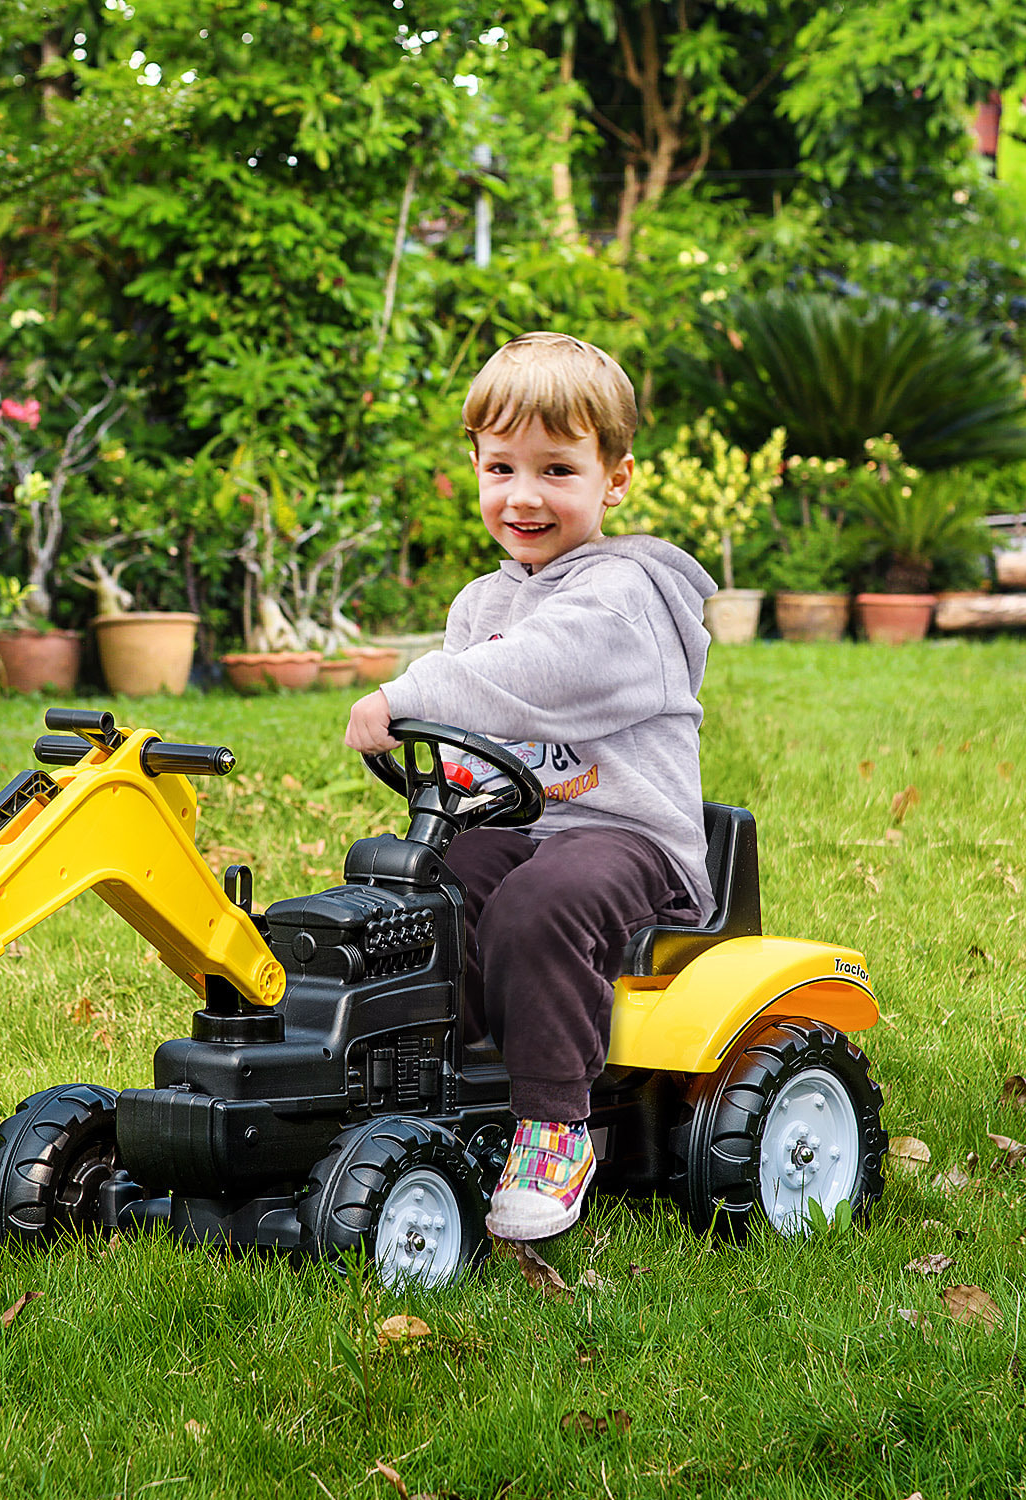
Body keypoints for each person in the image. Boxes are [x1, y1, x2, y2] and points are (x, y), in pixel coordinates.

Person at [343, 331, 718, 1242]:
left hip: (629, 840)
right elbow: (480, 730)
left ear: (614, 479)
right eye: (502, 467)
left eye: (557, 470)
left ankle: (556, 1128)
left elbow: (535, 673)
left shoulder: (626, 595)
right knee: (419, 889)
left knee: (539, 903)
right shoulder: (482, 602)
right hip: (525, 824)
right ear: (474, 465)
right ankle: (422, 1091)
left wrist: (406, 692)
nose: (524, 496)